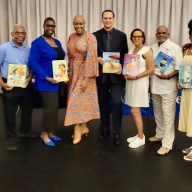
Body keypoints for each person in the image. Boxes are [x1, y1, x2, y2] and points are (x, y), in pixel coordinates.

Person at [28, 17, 66, 147]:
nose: (50, 28)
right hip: (46, 81)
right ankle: (44, 133)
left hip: (58, 80)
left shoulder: (57, 42)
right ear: (43, 26)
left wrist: (64, 74)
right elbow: (33, 62)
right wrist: (45, 77)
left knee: (54, 107)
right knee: (49, 108)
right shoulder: (37, 43)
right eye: (48, 26)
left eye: (52, 26)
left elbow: (61, 59)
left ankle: (50, 132)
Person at [93, 10, 128, 145]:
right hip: (101, 76)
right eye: (105, 18)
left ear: (114, 19)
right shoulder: (94, 36)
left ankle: (117, 132)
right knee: (103, 105)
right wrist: (97, 59)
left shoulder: (122, 36)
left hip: (116, 78)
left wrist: (121, 66)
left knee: (116, 103)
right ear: (102, 19)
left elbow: (125, 56)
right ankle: (105, 129)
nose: (107, 20)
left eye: (110, 18)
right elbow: (91, 55)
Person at [0, 24, 37, 150]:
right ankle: (11, 137)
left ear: (25, 34)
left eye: (22, 33)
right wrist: (1, 83)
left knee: (27, 109)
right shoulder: (3, 48)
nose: (20, 35)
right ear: (12, 34)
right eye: (17, 33)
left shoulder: (29, 49)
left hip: (26, 83)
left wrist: (29, 78)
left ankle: (25, 131)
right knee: (10, 112)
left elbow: (32, 66)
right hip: (9, 84)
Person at [64, 15, 100, 144]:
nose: (78, 26)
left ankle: (77, 130)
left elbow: (92, 58)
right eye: (76, 24)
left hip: (85, 73)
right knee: (80, 101)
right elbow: (69, 55)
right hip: (73, 72)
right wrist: (66, 72)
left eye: (81, 23)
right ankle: (84, 127)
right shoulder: (71, 36)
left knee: (77, 101)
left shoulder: (91, 37)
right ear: (73, 24)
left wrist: (87, 78)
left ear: (85, 23)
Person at [149, 25, 183, 155]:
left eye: (164, 33)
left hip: (168, 87)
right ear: (156, 34)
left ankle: (167, 144)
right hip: (155, 86)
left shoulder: (175, 47)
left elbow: (179, 67)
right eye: (159, 33)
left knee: (168, 116)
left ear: (168, 34)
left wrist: (168, 76)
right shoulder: (152, 47)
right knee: (158, 113)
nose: (161, 35)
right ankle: (160, 134)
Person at [125, 28, 154, 148]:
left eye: (139, 36)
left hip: (140, 82)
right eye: (134, 36)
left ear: (143, 38)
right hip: (131, 83)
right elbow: (127, 68)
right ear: (131, 38)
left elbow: (151, 69)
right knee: (134, 110)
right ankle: (139, 134)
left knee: (135, 111)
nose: (136, 38)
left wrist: (136, 76)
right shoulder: (131, 50)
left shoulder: (147, 50)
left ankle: (141, 138)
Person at [178, 19, 192, 161]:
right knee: (190, 116)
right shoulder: (187, 48)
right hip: (187, 89)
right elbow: (184, 69)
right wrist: (180, 82)